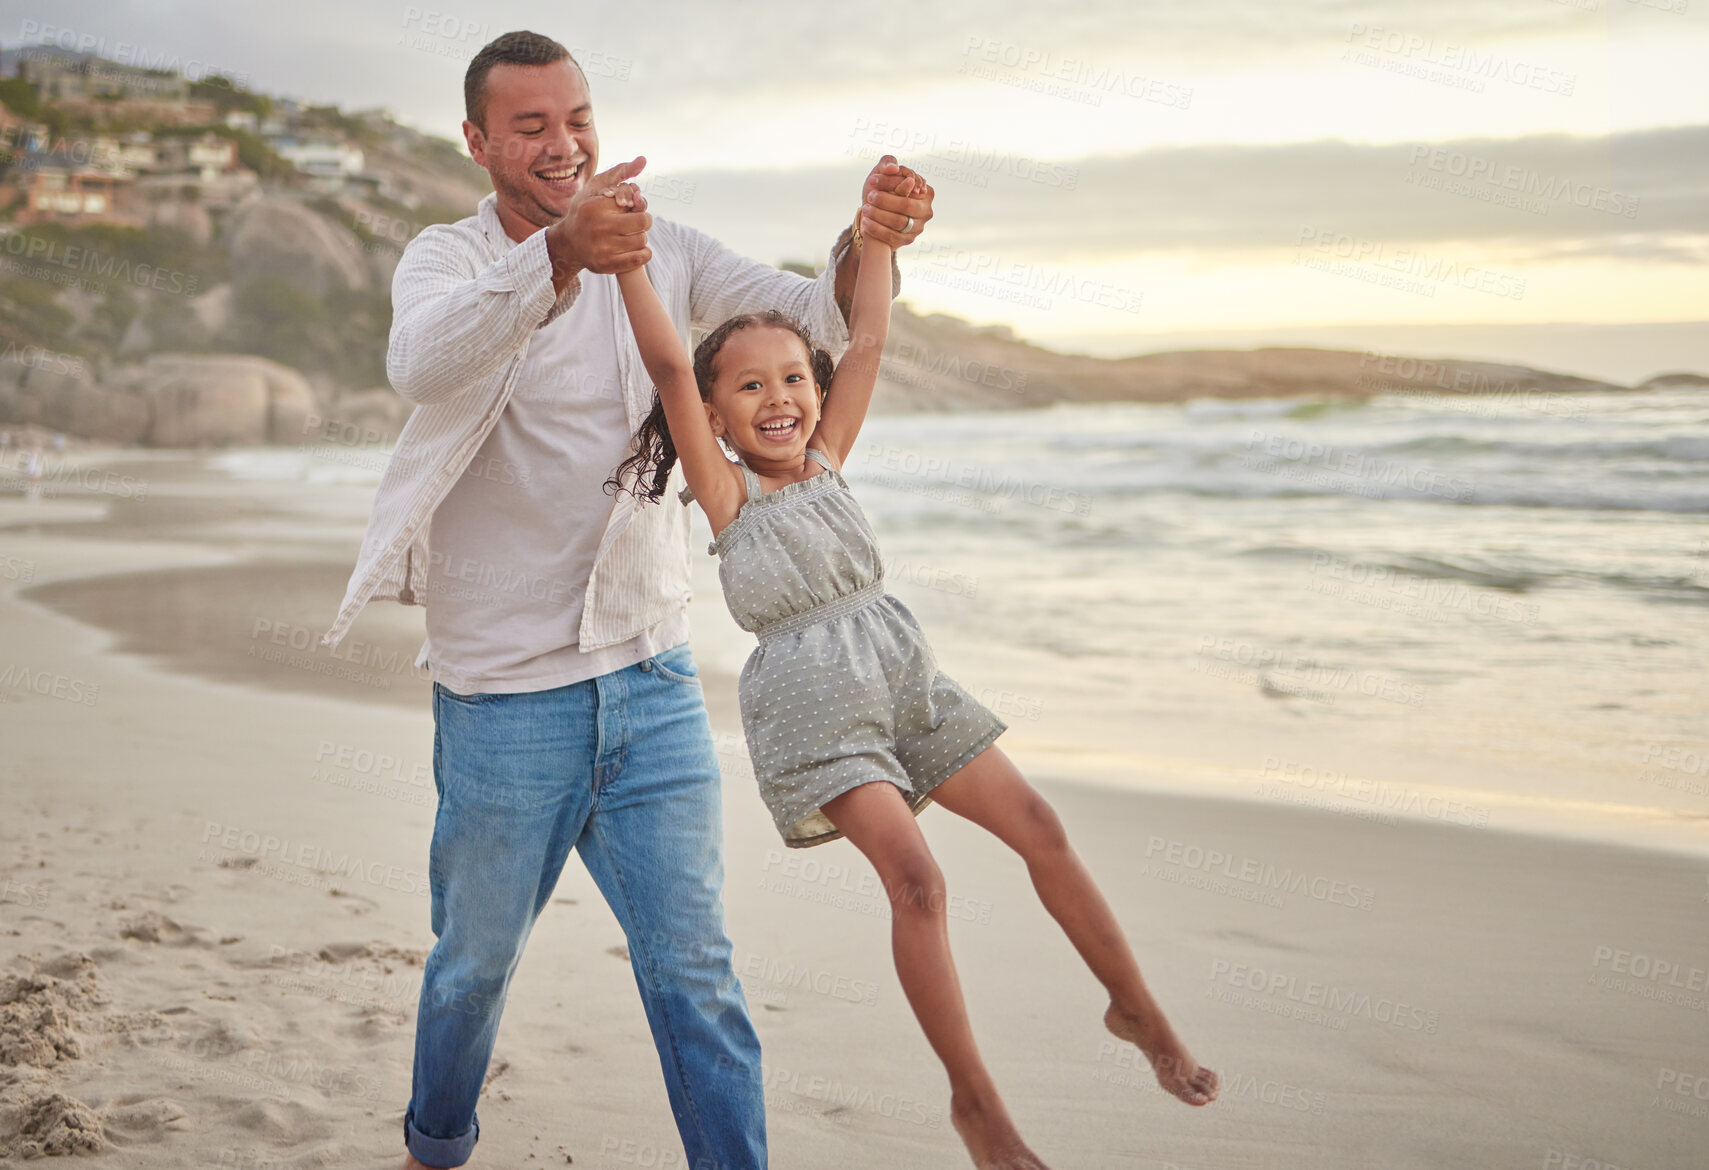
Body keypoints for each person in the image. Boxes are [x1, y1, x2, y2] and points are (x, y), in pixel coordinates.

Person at [317, 29, 936, 1170]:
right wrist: (559, 251)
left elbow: (822, 318)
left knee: (694, 970)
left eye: (578, 118)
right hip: (504, 699)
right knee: (476, 963)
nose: (564, 144)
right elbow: (419, 363)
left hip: (651, 679)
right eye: (532, 126)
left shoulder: (669, 248)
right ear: (478, 142)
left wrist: (868, 239)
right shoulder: (445, 259)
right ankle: (435, 1148)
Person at [604, 178, 1220, 1169]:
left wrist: (876, 236)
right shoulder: (727, 498)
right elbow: (670, 363)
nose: (780, 399)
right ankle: (974, 1105)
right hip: (811, 708)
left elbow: (870, 342)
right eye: (750, 387)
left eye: (793, 379)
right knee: (917, 881)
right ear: (714, 418)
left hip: (902, 671)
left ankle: (1134, 1008)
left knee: (1041, 831)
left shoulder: (832, 460)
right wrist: (631, 265)